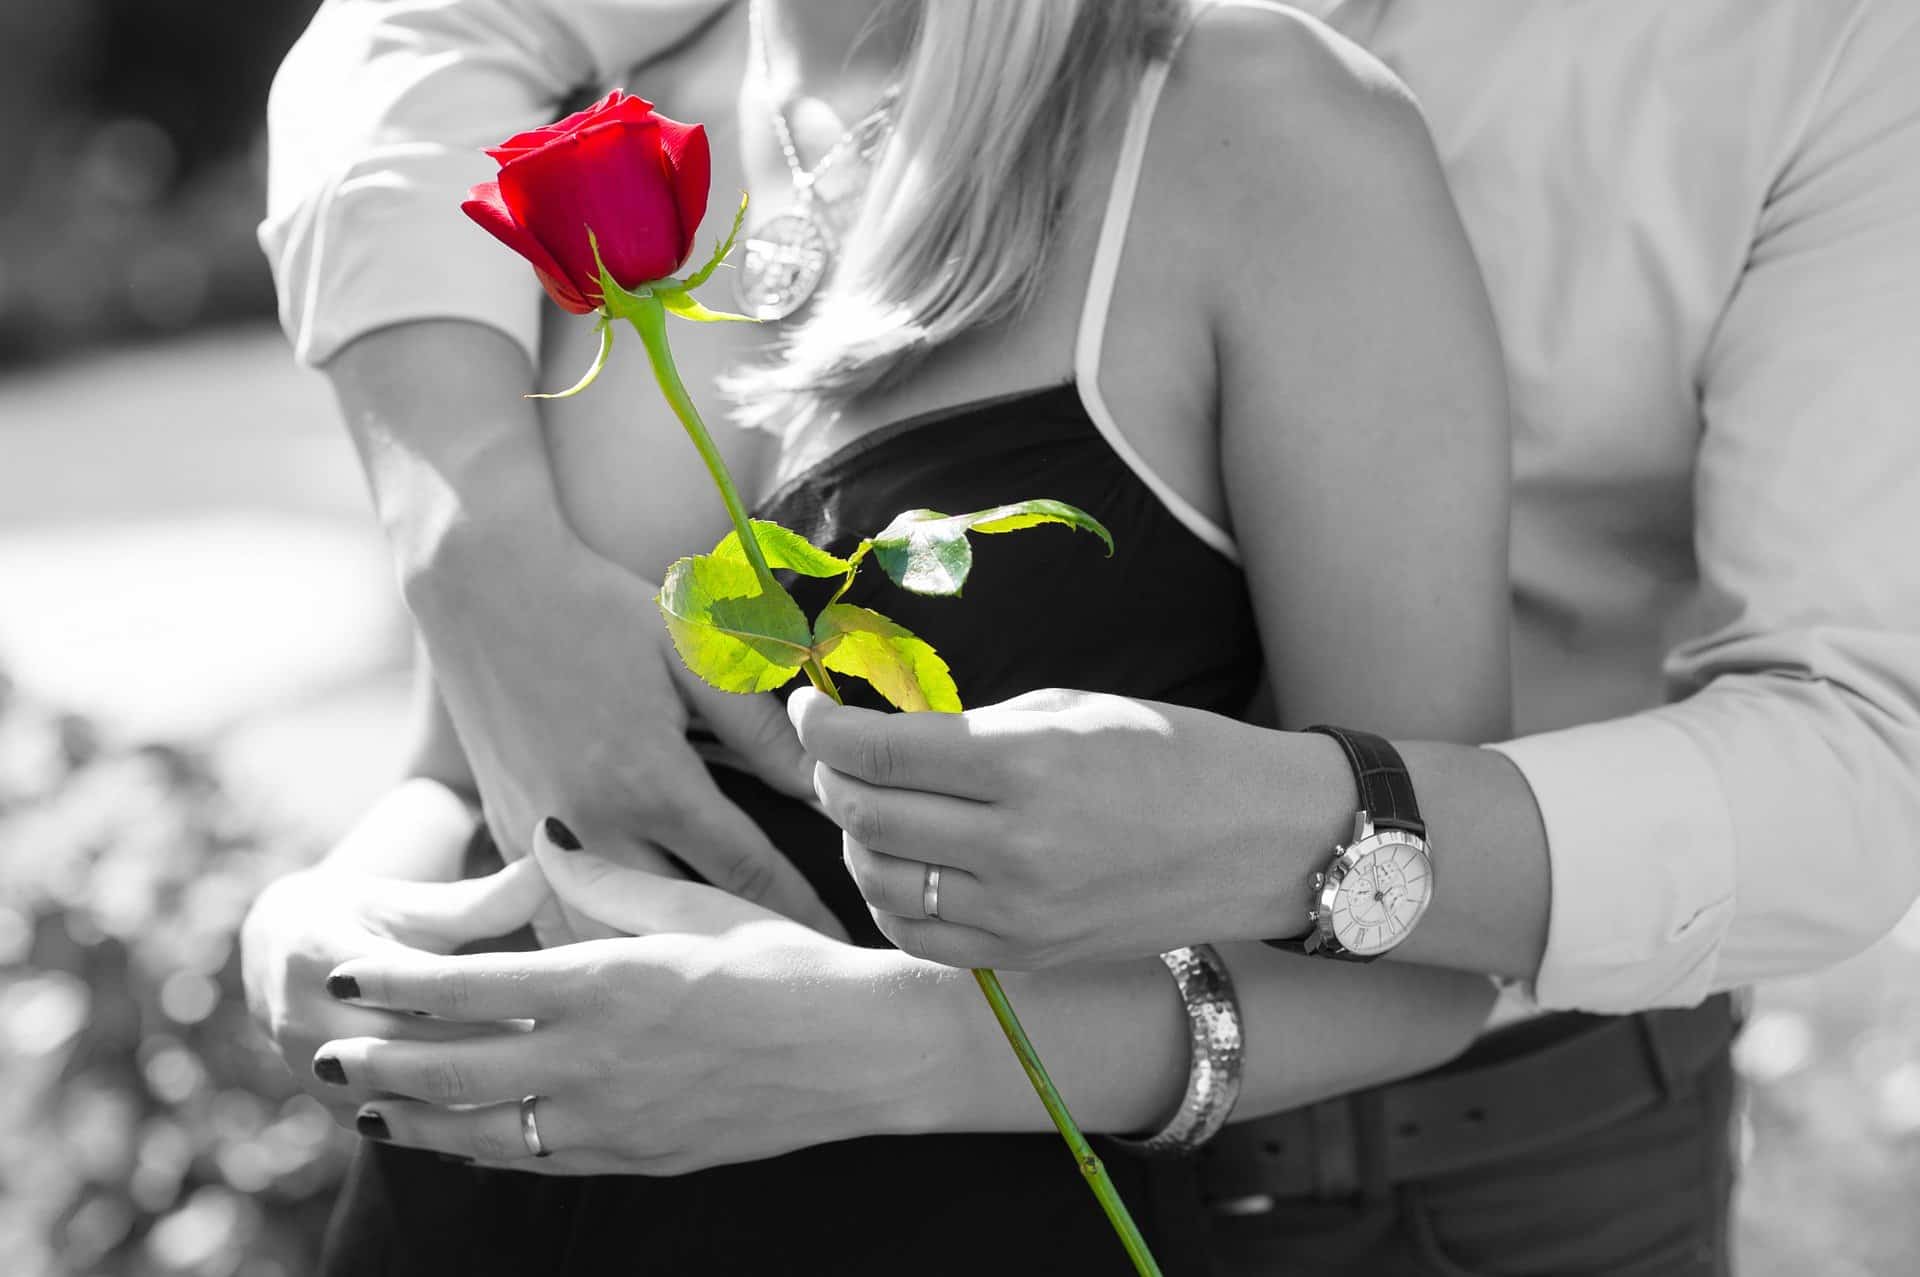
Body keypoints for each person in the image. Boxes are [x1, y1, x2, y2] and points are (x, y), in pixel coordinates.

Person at [244, 1, 1920, 1274]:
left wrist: (876, 1047)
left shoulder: (1273, 123)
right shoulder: (624, 110)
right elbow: (464, 752)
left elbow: (1853, 749)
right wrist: (331, 915)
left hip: (1395, 1119)